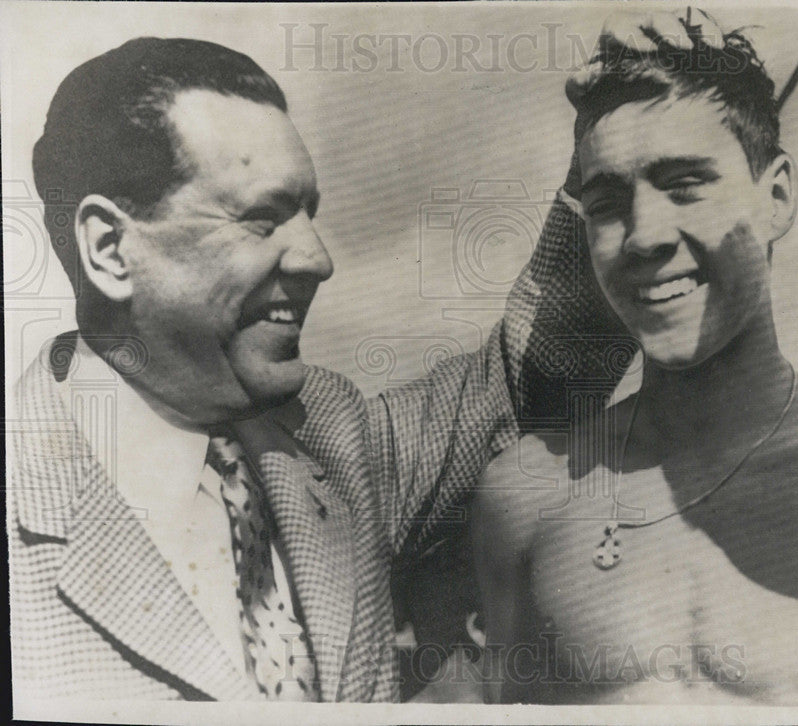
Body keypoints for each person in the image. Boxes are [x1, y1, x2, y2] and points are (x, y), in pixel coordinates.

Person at [7, 36, 623, 702]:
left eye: (310, 216)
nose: (316, 258)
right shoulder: (23, 499)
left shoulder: (331, 431)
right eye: (262, 218)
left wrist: (611, 157)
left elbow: (533, 373)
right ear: (110, 247)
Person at [473, 11, 798, 706]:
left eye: (686, 185)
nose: (644, 237)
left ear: (776, 199)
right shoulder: (527, 493)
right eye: (608, 203)